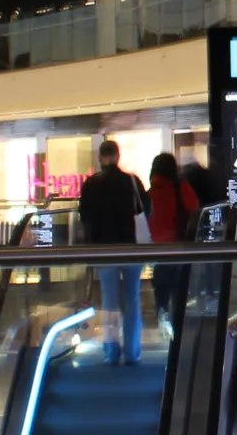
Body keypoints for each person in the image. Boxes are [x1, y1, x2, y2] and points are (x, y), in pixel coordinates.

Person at [77, 139, 147, 363]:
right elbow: (147, 208)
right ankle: (132, 351)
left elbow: (85, 216)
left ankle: (111, 350)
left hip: (103, 248)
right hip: (131, 246)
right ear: (117, 156)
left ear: (100, 158)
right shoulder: (131, 181)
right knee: (132, 299)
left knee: (109, 301)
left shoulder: (90, 184)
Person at [147, 151, 200, 336]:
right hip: (179, 248)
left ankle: (163, 316)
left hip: (159, 251)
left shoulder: (151, 193)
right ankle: (178, 331)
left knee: (161, 289)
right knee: (179, 291)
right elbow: (195, 210)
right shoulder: (180, 188)